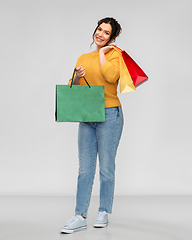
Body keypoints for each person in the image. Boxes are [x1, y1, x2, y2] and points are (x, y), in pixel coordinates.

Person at [61, 17, 124, 234]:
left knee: (106, 167)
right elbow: (73, 89)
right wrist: (77, 78)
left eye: (106, 32)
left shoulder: (115, 55)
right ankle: (79, 215)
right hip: (87, 115)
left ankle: (104, 211)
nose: (100, 34)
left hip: (109, 114)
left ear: (112, 38)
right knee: (85, 168)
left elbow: (110, 76)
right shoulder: (82, 57)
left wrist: (102, 53)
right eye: (99, 30)